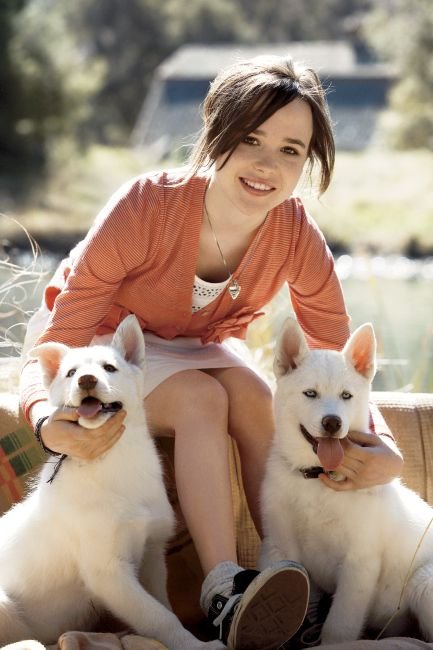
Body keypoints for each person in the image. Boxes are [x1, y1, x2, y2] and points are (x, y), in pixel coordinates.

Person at [20, 54, 403, 650]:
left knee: (253, 397)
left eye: (290, 150)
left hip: (197, 343)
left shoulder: (294, 233)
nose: (265, 164)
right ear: (215, 133)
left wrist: (381, 450)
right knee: (202, 399)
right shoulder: (147, 206)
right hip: (103, 342)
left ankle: (284, 578)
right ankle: (223, 592)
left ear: (307, 163)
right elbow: (65, 326)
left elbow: (336, 356)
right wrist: (47, 418)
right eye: (249, 138)